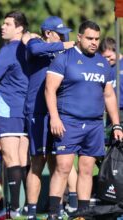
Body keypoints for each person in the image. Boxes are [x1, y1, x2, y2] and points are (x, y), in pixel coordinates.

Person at [45, 20, 123, 220]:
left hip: (95, 125)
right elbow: (49, 90)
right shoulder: (64, 59)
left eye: (97, 39)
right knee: (63, 168)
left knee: (86, 169)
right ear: (79, 37)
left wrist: (116, 124)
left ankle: (82, 214)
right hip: (68, 122)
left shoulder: (102, 63)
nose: (94, 42)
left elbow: (109, 96)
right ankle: (53, 213)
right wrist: (54, 117)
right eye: (89, 38)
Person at [21, 16, 78, 219]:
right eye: (61, 33)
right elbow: (34, 49)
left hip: (61, 113)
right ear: (48, 33)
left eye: (66, 33)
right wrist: (67, 44)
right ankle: (31, 212)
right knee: (38, 160)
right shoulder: (36, 44)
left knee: (59, 161)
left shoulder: (64, 52)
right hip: (38, 112)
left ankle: (57, 210)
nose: (66, 36)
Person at [0, 10, 29, 217]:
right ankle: (28, 207)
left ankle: (13, 210)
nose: (3, 27)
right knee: (23, 160)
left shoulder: (9, 48)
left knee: (10, 158)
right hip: (26, 109)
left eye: (8, 24)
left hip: (9, 107)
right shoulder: (29, 47)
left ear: (19, 28)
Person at [99, 37, 123, 117]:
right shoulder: (102, 67)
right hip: (109, 111)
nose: (107, 60)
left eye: (109, 56)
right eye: (104, 57)